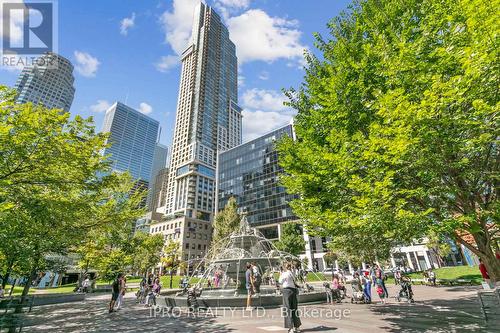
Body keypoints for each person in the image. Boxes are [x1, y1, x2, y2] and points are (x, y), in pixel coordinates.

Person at [279, 262, 302, 333]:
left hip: (286, 291)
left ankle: (290, 328)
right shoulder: (292, 273)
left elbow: (280, 281)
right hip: (293, 291)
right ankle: (297, 327)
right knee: (294, 308)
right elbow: (295, 281)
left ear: (284, 267)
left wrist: (280, 274)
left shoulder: (284, 274)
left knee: (288, 309)